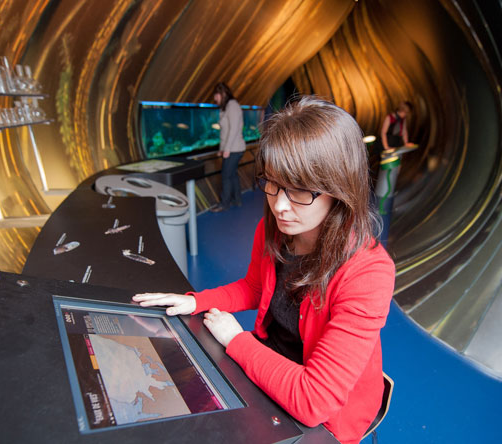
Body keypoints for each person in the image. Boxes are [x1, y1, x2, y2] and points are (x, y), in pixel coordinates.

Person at [133, 97, 395, 443]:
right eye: (272, 183)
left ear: (339, 189)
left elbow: (313, 400)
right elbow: (256, 289)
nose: (280, 205)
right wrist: (195, 301)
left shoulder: (368, 273)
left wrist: (237, 340)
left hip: (327, 419)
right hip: (272, 366)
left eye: (300, 190)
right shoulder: (275, 229)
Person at [211, 82, 246, 212]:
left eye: (216, 95)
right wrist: (222, 149)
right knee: (232, 175)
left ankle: (224, 204)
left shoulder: (233, 106)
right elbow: (224, 133)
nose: (215, 99)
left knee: (226, 176)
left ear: (222, 93)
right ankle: (237, 200)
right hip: (232, 148)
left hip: (235, 149)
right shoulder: (225, 107)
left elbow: (234, 130)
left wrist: (227, 149)